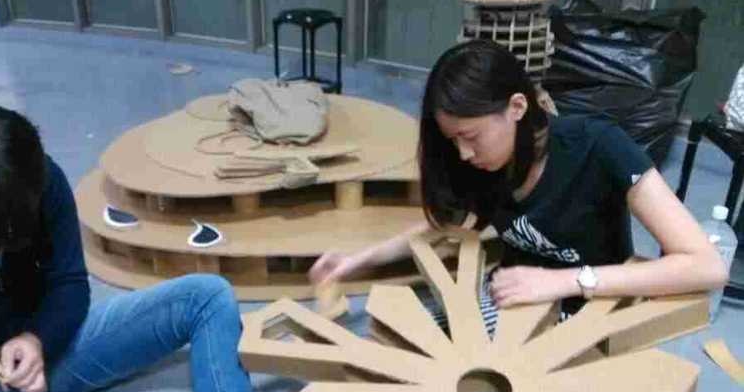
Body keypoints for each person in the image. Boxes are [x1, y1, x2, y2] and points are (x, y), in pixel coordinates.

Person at [310, 39, 727, 335]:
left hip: (589, 305)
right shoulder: (485, 162)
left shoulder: (599, 146)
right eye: (453, 140)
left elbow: (707, 266)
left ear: (516, 107)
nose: (463, 153)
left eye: (470, 136)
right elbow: (442, 226)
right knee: (405, 346)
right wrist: (357, 260)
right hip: (513, 294)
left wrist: (564, 282)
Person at [0, 104, 262, 392]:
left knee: (206, 298)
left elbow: (68, 283)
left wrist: (36, 340)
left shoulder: (36, 182)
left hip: (48, 350)